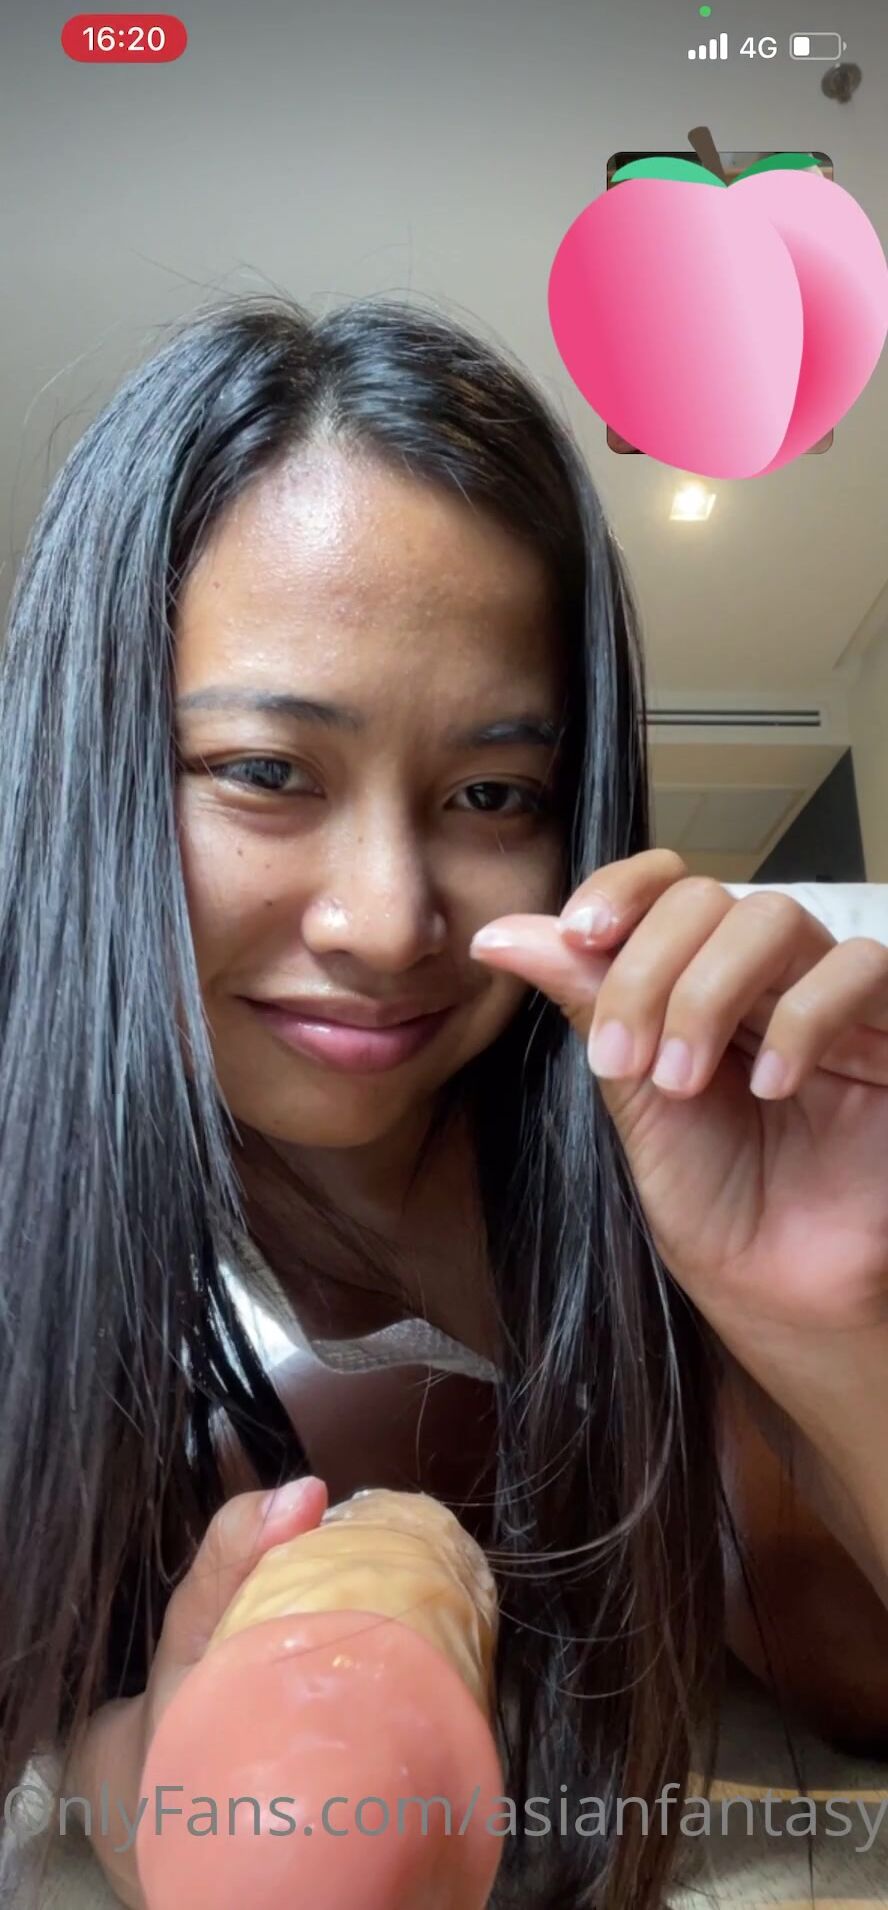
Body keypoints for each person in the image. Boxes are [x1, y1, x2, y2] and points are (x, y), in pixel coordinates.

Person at [2, 292, 887, 1910]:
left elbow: (850, 1677)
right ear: (96, 769)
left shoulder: (674, 1159)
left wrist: (834, 1321)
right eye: (268, 770)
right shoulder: (42, 1228)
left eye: (493, 792)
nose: (387, 918)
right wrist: (137, 1769)